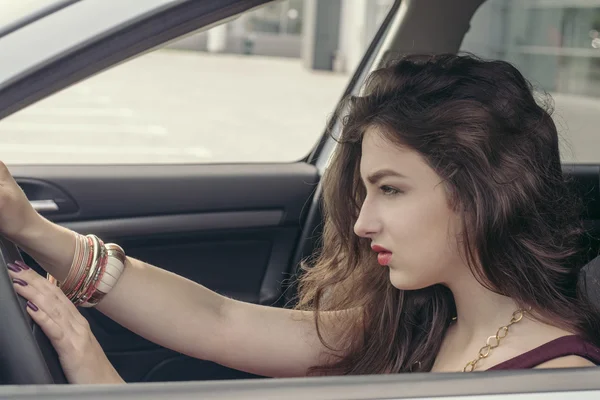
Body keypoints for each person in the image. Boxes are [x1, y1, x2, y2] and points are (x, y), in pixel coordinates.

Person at [2, 54, 600, 384]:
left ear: (480, 192)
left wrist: (94, 370)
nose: (363, 223)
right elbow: (222, 322)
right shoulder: (418, 325)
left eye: (390, 189)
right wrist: (33, 230)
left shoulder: (558, 379)